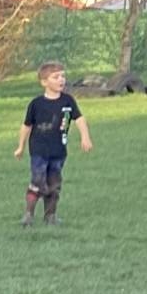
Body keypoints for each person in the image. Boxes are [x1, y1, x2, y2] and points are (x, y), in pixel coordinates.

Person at [16, 61, 92, 228]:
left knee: (54, 184)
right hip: (39, 151)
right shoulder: (36, 104)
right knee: (38, 181)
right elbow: (26, 126)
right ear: (44, 82)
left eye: (63, 76)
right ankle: (28, 214)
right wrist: (20, 146)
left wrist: (85, 137)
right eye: (56, 77)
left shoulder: (68, 101)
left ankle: (50, 216)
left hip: (58, 151)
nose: (61, 80)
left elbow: (79, 119)